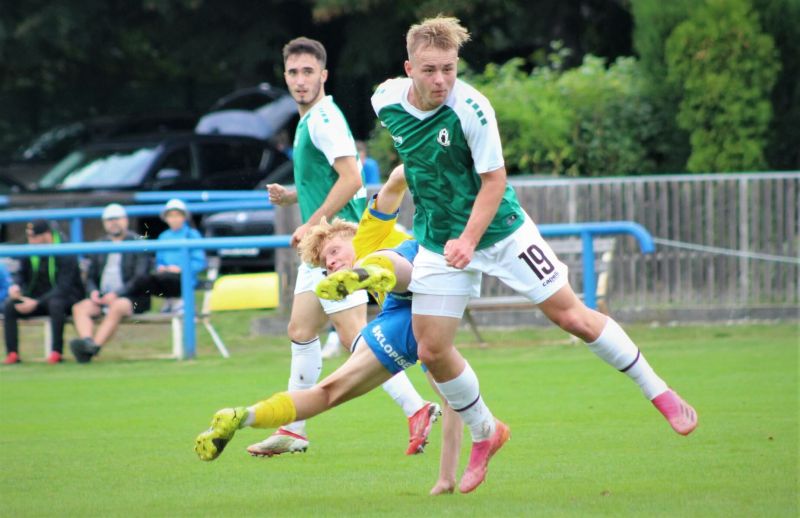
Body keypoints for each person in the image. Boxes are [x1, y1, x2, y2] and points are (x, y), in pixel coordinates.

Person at [370, 16, 698, 493]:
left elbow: (493, 182)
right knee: (432, 350)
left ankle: (660, 391)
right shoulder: (385, 101)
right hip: (439, 242)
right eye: (429, 70)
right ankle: (487, 432)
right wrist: (449, 239)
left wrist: (469, 239)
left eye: (449, 69)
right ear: (408, 68)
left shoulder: (472, 109)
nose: (441, 80)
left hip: (502, 233)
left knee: (573, 318)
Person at [196, 167, 463, 494]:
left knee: (389, 267)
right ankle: (244, 416)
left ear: (350, 233)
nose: (332, 263)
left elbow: (391, 183)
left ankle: (376, 273)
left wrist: (420, 155)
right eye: (326, 264)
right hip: (406, 316)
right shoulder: (355, 279)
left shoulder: (367, 231)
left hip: (418, 279)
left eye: (334, 253)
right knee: (328, 392)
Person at [252, 36, 431, 457]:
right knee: (301, 330)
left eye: (308, 72)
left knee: (355, 337)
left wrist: (311, 223)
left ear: (323, 76)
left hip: (337, 245)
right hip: (323, 243)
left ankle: (416, 406)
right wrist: (293, 196)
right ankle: (294, 429)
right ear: (285, 76)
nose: (300, 80)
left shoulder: (323, 119)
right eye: (294, 73)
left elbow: (352, 179)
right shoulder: (310, 119)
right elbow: (332, 181)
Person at [69, 204, 153, 363]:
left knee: (118, 306)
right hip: (103, 297)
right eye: (109, 220)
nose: (113, 223)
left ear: (126, 220)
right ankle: (87, 342)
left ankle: (94, 347)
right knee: (79, 308)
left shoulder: (139, 243)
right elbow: (91, 277)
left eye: (117, 219)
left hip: (132, 299)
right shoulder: (100, 245)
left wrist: (117, 294)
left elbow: (140, 278)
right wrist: (93, 291)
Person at [2, 220, 84, 364]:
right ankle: (12, 354)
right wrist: (17, 288)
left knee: (56, 304)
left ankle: (56, 352)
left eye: (34, 237)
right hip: (36, 300)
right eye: (29, 237)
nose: (31, 241)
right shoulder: (29, 250)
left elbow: (63, 288)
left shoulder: (66, 250)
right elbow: (21, 275)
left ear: (47, 235)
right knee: (10, 305)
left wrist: (37, 302)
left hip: (66, 299)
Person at [150, 198, 206, 314]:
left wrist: (182, 268)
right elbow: (159, 260)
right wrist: (162, 267)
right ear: (166, 218)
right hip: (166, 279)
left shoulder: (192, 235)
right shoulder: (163, 237)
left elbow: (199, 262)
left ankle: (181, 303)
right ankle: (171, 301)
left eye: (177, 215)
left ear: (184, 217)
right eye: (170, 215)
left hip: (185, 278)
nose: (174, 219)